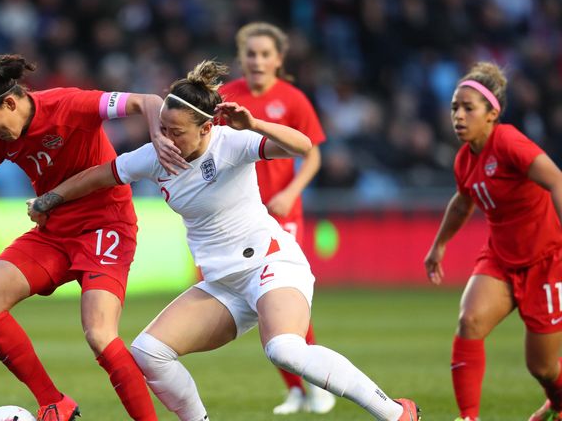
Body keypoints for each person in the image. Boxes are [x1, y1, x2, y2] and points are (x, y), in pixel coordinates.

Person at [28, 60, 421, 421]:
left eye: (175, 132)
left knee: (284, 349)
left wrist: (254, 124)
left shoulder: (231, 143)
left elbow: (302, 147)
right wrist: (49, 199)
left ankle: (394, 412)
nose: (165, 138)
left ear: (205, 128)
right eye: (161, 128)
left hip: (270, 263)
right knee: (149, 353)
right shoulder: (154, 155)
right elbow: (99, 175)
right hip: (222, 282)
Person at [0, 54, 179, 421]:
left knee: (99, 334)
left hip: (105, 227)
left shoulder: (70, 105)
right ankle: (54, 402)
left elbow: (148, 101)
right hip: (54, 231)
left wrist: (157, 135)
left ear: (10, 102)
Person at [424, 62, 562, 421]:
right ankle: (468, 417)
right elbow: (463, 201)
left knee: (543, 368)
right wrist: (439, 244)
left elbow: (557, 181)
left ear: (492, 114)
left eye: (469, 108)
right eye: (455, 107)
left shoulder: (510, 142)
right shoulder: (464, 159)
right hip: (500, 258)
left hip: (546, 261)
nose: (458, 115)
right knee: (469, 321)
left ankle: (559, 402)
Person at [219, 21, 335, 415]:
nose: (257, 60)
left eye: (265, 54)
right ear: (241, 57)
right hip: (239, 216)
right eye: (251, 53)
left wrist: (290, 191)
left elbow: (313, 152)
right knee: (258, 301)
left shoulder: (294, 99)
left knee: (280, 295)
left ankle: (318, 384)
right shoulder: (226, 97)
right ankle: (298, 390)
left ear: (278, 59)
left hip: (280, 213)